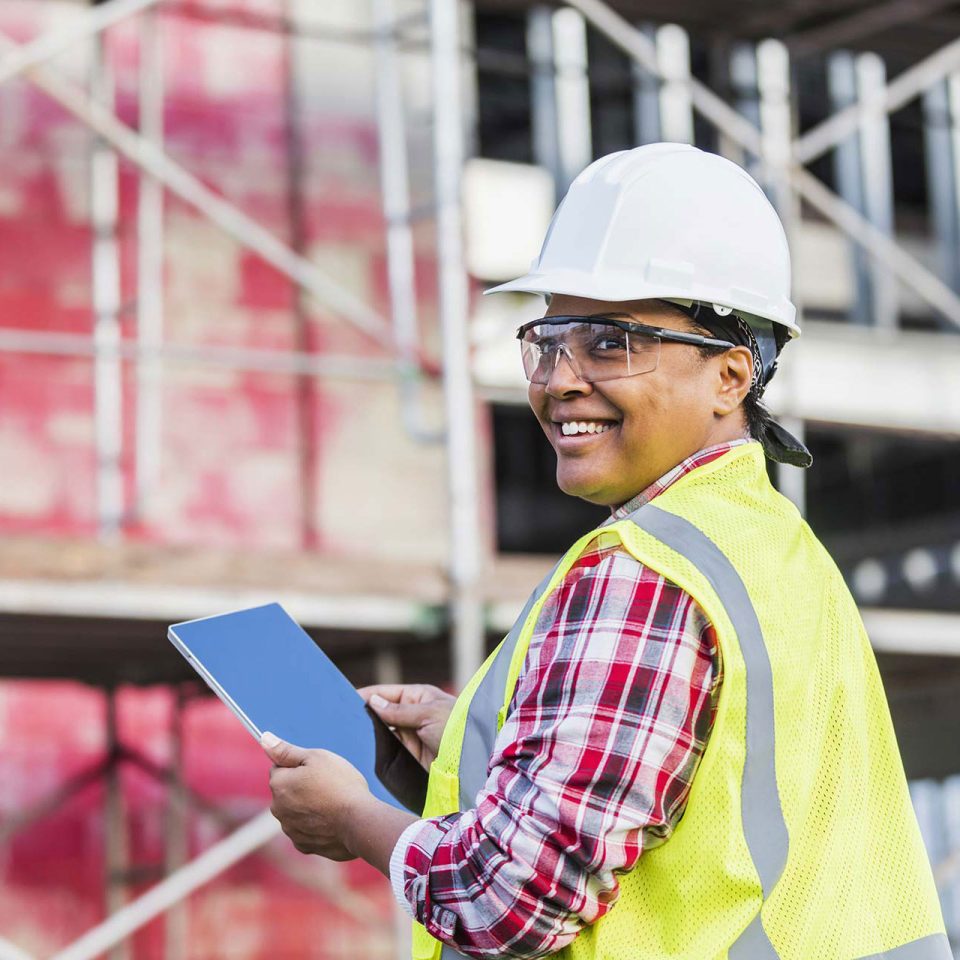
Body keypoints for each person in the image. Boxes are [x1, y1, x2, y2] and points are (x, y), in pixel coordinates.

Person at [262, 143, 948, 960]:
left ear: (731, 377)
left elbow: (508, 903)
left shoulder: (644, 571)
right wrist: (479, 746)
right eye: (549, 340)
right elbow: (701, 801)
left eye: (609, 342)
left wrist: (354, 819)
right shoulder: (770, 545)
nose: (560, 379)